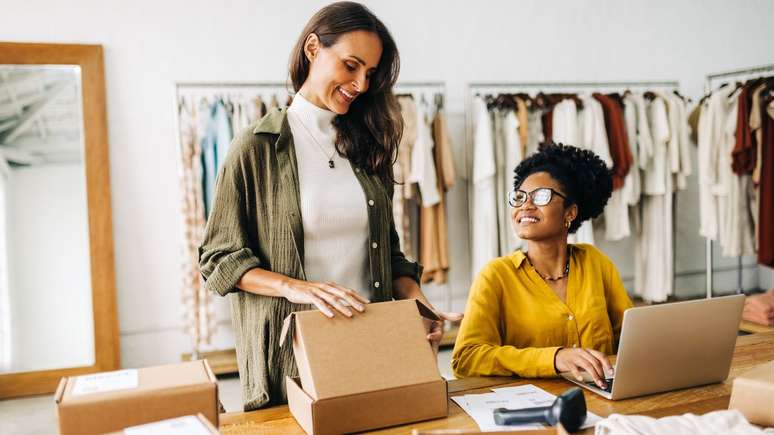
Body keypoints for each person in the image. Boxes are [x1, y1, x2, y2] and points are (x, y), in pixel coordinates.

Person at [199, 1, 459, 411]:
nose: (360, 84)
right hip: (292, 357)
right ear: (313, 48)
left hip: (372, 343)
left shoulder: (368, 147)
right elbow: (219, 258)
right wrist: (299, 288)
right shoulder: (256, 148)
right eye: (351, 65)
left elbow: (388, 254)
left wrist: (418, 302)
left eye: (370, 74)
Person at [452, 143, 633, 389]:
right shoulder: (496, 276)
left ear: (570, 212)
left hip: (603, 397)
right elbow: (466, 358)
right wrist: (555, 358)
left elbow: (632, 336)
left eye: (541, 196)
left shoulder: (596, 262)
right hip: (532, 407)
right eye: (519, 197)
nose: (525, 205)